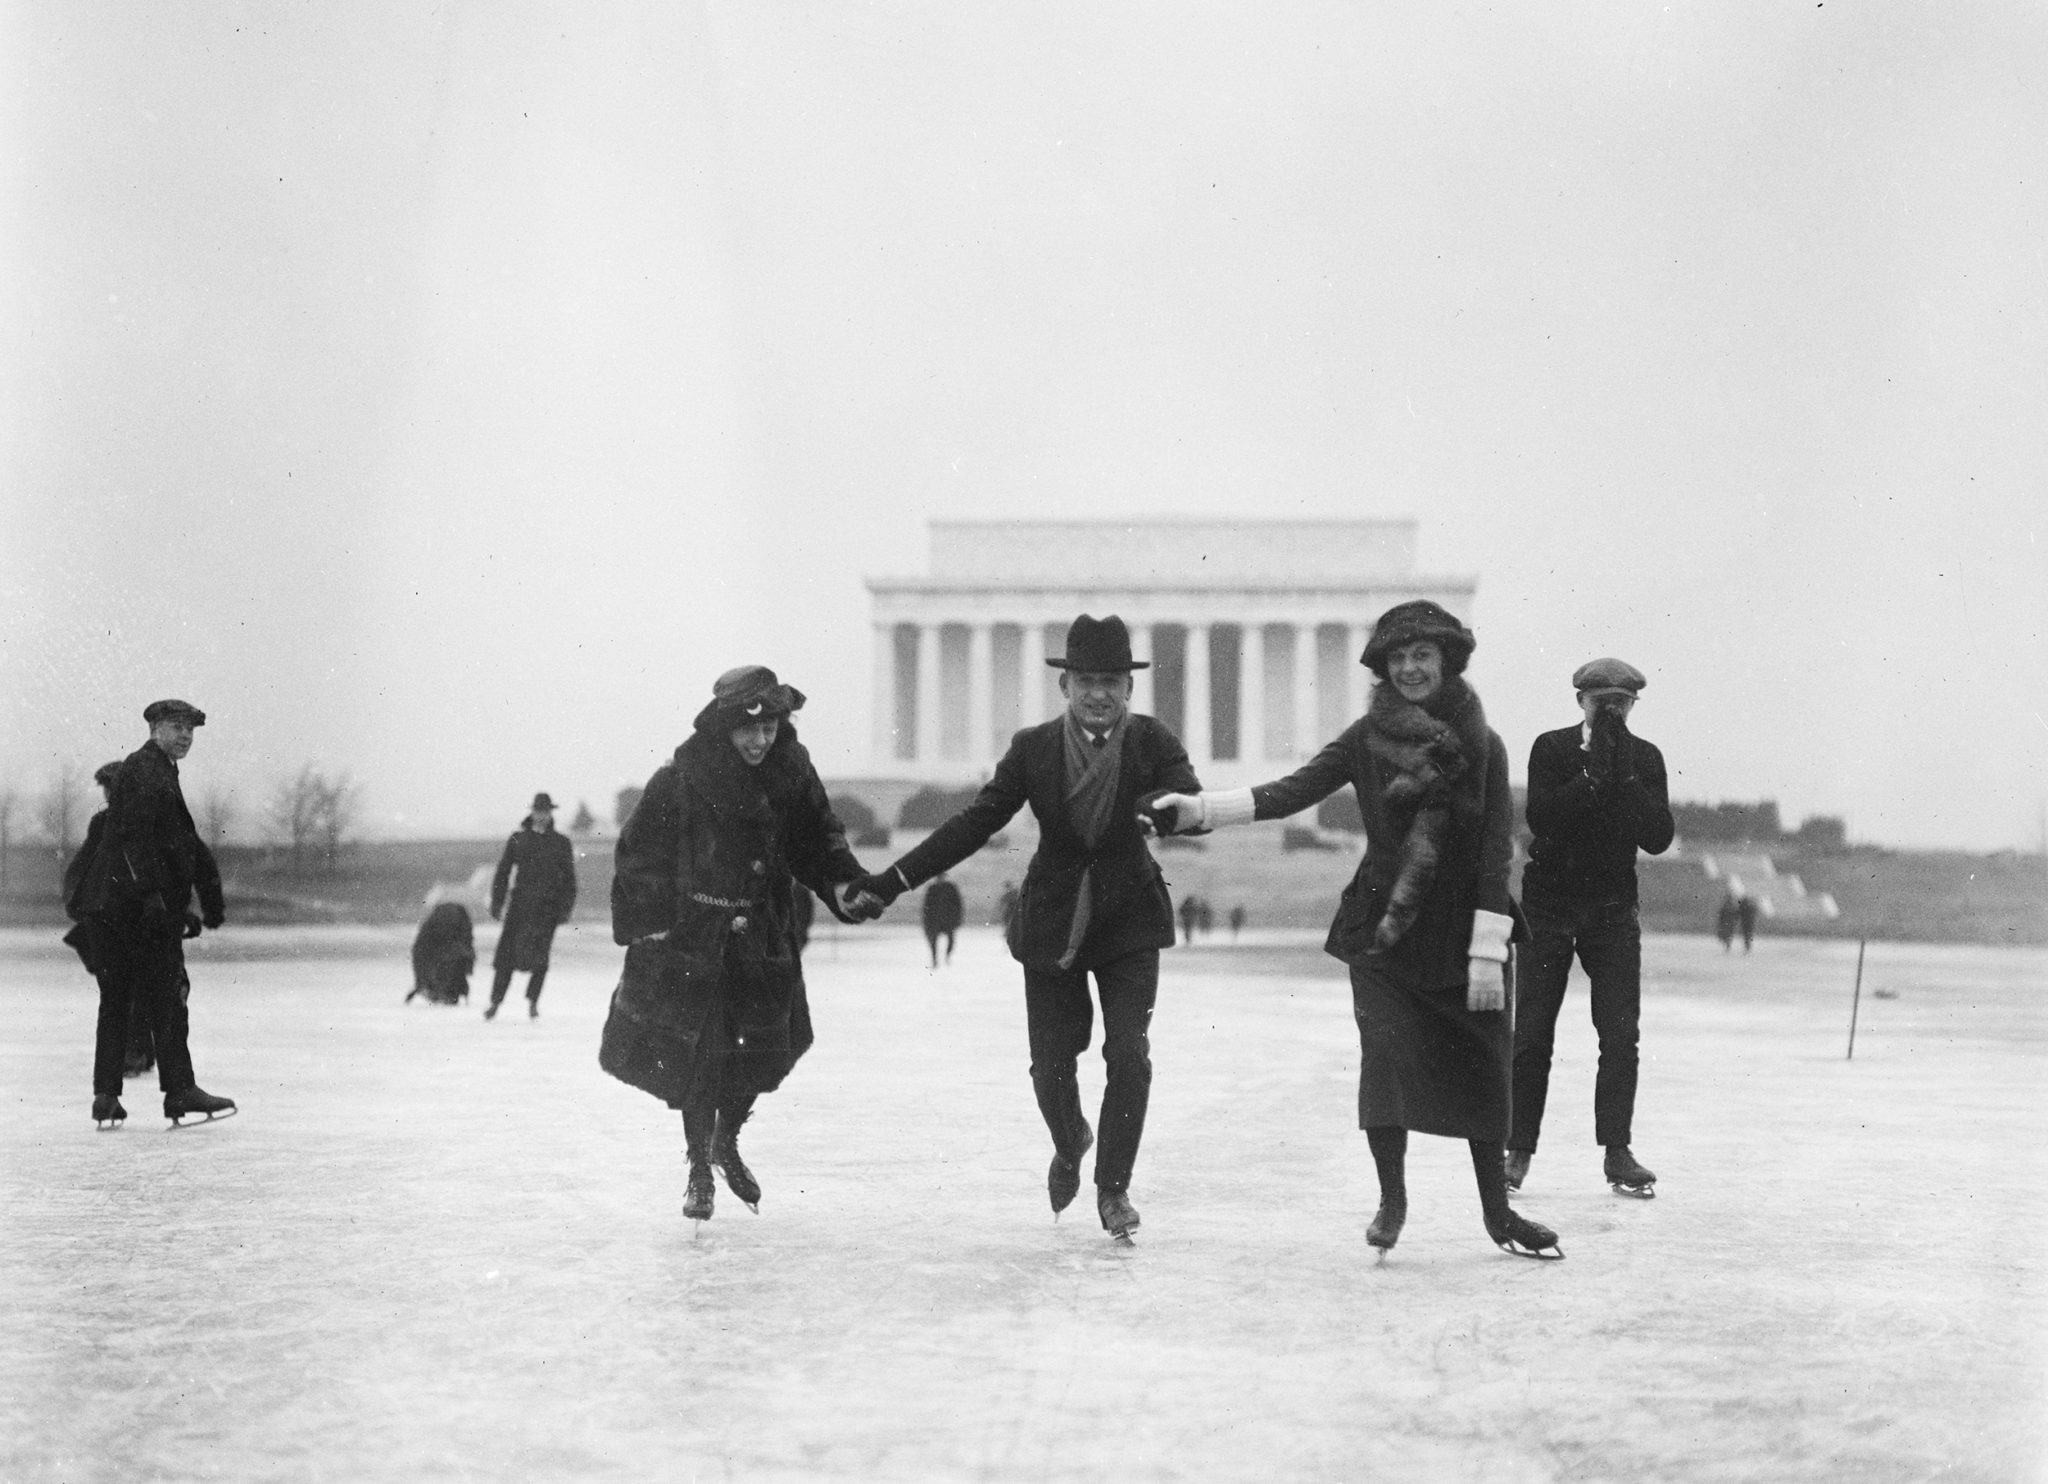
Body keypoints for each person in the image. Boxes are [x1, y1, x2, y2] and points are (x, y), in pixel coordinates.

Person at [1149, 600, 1561, 1260]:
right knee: (1386, 1059)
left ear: (1447, 659)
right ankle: (1392, 1201)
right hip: (1383, 929)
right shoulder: (1366, 737)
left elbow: (1493, 850)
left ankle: (1497, 1214)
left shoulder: (1484, 743)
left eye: (1422, 654)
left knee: (1486, 1067)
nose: (1409, 668)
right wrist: (1198, 809)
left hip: (1462, 931)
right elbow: (1293, 790)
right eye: (1397, 658)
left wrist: (1489, 948)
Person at [849, 614, 1200, 1244]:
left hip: (1128, 918)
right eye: (1087, 680)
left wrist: (1162, 814)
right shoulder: (1033, 748)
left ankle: (1113, 1187)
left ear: (1129, 688)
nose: (1100, 692)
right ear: (1065, 687)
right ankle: (1071, 1144)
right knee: (1049, 1069)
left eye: (1112, 681)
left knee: (1129, 1055)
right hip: (1054, 920)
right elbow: (974, 824)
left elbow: (1186, 796)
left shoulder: (1151, 741)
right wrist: (893, 880)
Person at [604, 666, 871, 1224]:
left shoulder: (792, 772)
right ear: (724, 727)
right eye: (748, 730)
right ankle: (700, 1166)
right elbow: (637, 850)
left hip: (764, 933)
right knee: (703, 1055)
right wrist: (648, 920)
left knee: (766, 1051)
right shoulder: (681, 778)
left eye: (770, 727)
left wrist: (843, 883)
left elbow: (819, 837)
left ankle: (727, 1139)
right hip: (696, 940)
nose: (759, 740)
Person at [1508, 657, 1675, 1200]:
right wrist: (1589, 777)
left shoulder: (1644, 759)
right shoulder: (1551, 748)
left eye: (1621, 704)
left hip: (1611, 910)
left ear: (1632, 706)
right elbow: (1543, 819)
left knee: (1620, 1034)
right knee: (1532, 1033)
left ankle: (1617, 1151)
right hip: (1549, 906)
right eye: (1602, 703)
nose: (1611, 712)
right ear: (1580, 701)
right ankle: (1517, 1150)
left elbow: (1657, 838)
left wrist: (1622, 777)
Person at [73, 700, 235, 1128]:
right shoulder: (147, 770)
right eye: (176, 727)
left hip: (115, 910)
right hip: (136, 911)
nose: (185, 736)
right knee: (167, 999)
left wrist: (207, 899)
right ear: (155, 729)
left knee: (116, 1001)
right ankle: (179, 1091)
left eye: (190, 730)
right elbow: (133, 839)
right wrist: (153, 898)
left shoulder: (155, 770)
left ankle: (106, 1095)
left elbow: (185, 846)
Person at [64, 761, 158, 1077]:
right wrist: (78, 901)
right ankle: (134, 1054)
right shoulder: (102, 823)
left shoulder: (145, 823)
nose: (109, 794)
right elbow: (83, 865)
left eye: (113, 788)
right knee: (126, 991)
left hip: (136, 919)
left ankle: (137, 1054)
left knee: (133, 990)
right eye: (107, 789)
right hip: (110, 920)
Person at [486, 792, 577, 1020]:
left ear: (550, 813)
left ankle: (533, 1003)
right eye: (538, 811)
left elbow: (570, 880)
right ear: (532, 812)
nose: (541, 816)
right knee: (505, 957)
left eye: (545, 812)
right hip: (520, 907)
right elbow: (503, 872)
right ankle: (495, 1003)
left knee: (540, 959)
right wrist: (497, 903)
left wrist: (565, 909)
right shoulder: (518, 839)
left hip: (547, 910)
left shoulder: (561, 843)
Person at [408, 901, 477, 1004]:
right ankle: (446, 992)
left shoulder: (429, 936)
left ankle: (443, 991)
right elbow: (468, 946)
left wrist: (420, 983)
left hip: (442, 949)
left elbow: (419, 956)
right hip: (449, 949)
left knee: (450, 961)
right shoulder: (459, 929)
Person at [921, 872, 964, 968]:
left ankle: (947, 956)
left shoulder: (951, 888)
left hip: (948, 919)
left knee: (951, 940)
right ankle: (934, 960)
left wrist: (958, 918)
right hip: (935, 920)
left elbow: (958, 904)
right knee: (933, 941)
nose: (940, 878)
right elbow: (926, 906)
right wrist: (926, 920)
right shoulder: (932, 888)